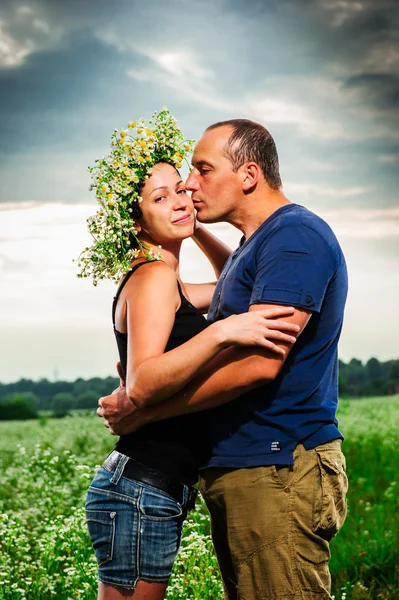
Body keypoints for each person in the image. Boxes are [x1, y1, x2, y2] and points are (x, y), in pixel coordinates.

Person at [98, 118, 349, 600]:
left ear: (249, 175)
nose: (190, 187)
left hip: (277, 463)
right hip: (245, 467)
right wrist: (191, 227)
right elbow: (226, 290)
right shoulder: (249, 248)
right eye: (169, 191)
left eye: (201, 171)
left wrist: (142, 410)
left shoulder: (294, 238)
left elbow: (260, 363)